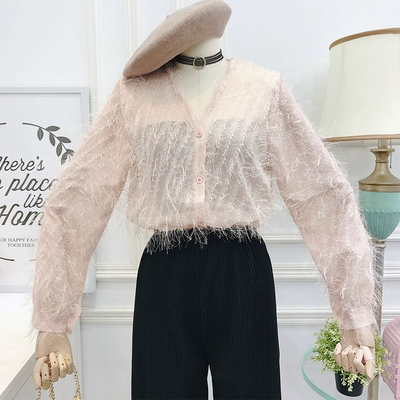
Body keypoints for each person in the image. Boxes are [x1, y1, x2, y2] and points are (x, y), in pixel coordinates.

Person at [32, 1, 376, 399]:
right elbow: (77, 198)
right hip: (164, 274)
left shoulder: (263, 89)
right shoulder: (134, 95)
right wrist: (52, 323)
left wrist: (354, 315)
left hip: (242, 270)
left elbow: (322, 193)